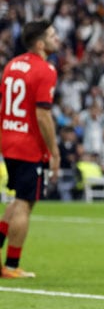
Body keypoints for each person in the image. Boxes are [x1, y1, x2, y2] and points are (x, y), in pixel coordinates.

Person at [0, 19, 60, 279]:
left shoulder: (12, 65)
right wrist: (54, 152)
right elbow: (43, 115)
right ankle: (12, 265)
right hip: (28, 145)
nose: (56, 39)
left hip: (8, 139)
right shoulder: (45, 70)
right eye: (52, 35)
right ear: (40, 43)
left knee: (17, 200)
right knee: (25, 203)